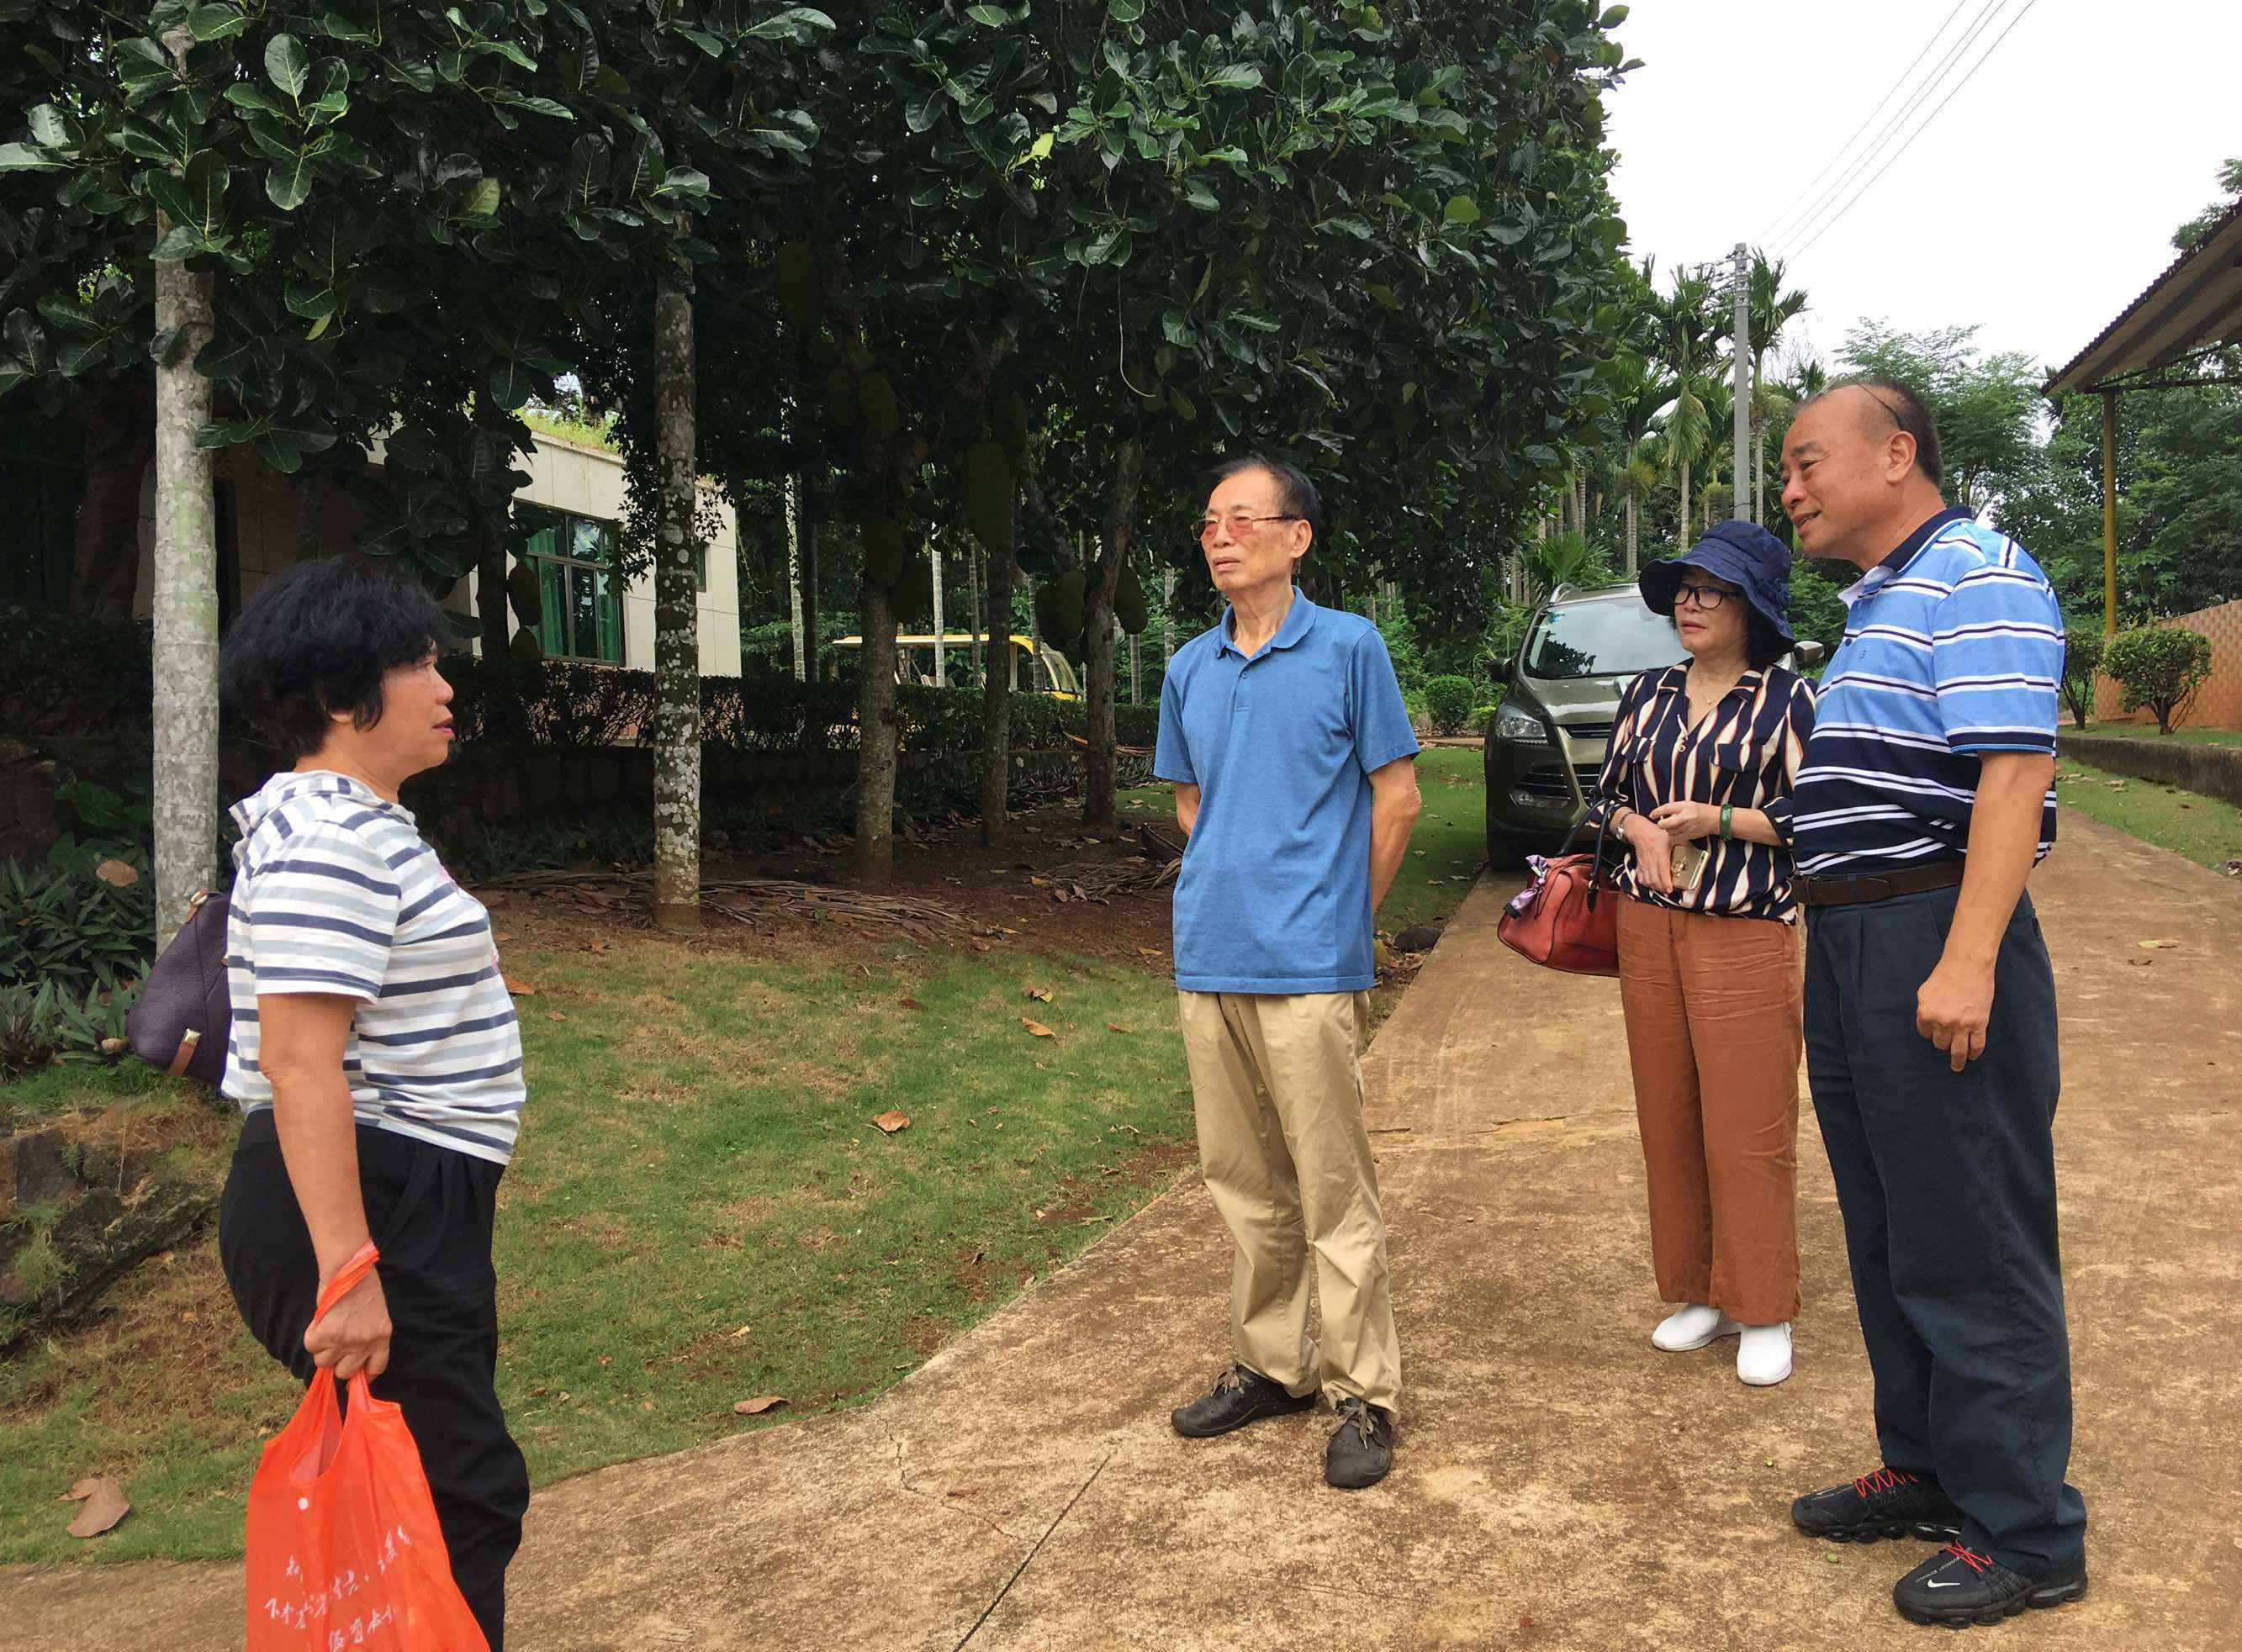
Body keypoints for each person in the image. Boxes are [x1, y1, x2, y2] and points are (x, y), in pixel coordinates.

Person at [1777, 378, 2086, 1628]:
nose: (1788, 488)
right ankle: (1925, 1466)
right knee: (1892, 1227)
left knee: (1974, 1236)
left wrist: (1961, 962)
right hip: (1852, 939)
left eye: (1805, 462)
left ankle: (2024, 1529)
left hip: (1929, 926)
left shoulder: (1978, 572)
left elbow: (2012, 774)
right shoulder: (1877, 603)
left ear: (1894, 454)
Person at [216, 557, 531, 1649]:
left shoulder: (354, 827)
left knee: (433, 1497)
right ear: (344, 692)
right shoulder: (334, 841)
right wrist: (349, 1273)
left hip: (400, 1191)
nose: (443, 686)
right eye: (417, 662)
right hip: (370, 1201)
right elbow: (302, 1063)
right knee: (460, 1498)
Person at [1154, 455, 1422, 1490]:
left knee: (1330, 1187)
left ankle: (1365, 1395)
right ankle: (1273, 1364)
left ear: (1295, 536)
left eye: (1240, 519)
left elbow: (1394, 799)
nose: (1219, 537)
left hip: (1309, 964)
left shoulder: (1348, 647)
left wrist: (1340, 921)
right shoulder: (1188, 666)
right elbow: (1191, 805)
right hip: (1209, 953)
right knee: (1239, 1179)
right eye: (1207, 523)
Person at [1584, 520, 1816, 1388]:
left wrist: (1717, 820)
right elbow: (1601, 800)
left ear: (1748, 610)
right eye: (1682, 589)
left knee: (1746, 1127)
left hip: (1743, 930)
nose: (1688, 602)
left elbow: (1812, 821)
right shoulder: (1644, 693)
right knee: (1669, 1115)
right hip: (1647, 929)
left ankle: (1762, 1305)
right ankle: (1697, 1292)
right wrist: (1637, 824)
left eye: (1709, 590)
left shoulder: (1786, 703)